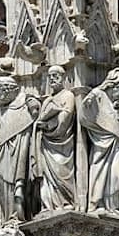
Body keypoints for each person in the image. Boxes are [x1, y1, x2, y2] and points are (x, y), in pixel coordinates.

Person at [80, 68, 119, 219]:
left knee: (117, 175)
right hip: (102, 146)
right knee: (100, 172)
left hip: (117, 146)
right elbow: (84, 116)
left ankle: (112, 206)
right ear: (114, 86)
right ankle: (97, 204)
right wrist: (88, 101)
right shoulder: (98, 96)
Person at [0, 75, 39, 222]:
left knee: (17, 185)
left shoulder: (26, 101)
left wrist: (33, 104)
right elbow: (4, 130)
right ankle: (9, 215)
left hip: (19, 152)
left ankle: (17, 214)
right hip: (4, 152)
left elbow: (36, 111)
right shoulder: (7, 110)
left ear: (8, 90)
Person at [34, 65, 75, 214]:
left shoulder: (68, 95)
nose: (52, 79)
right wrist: (40, 124)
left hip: (62, 141)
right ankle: (48, 205)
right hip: (46, 143)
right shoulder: (47, 100)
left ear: (64, 78)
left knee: (62, 171)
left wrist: (50, 124)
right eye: (50, 76)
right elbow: (40, 118)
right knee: (47, 175)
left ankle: (66, 201)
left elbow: (67, 115)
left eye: (56, 75)